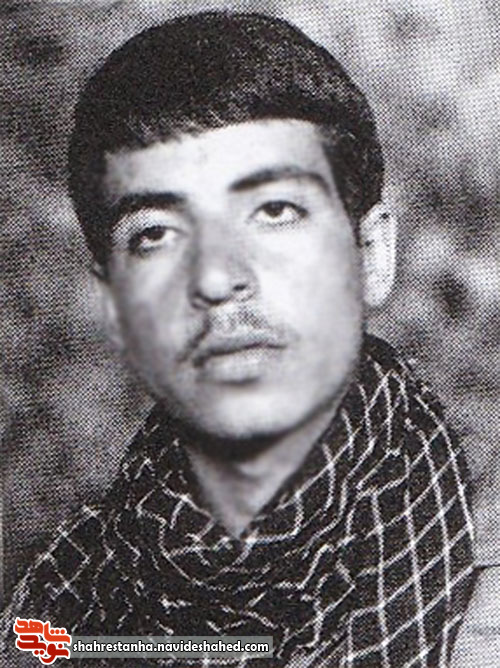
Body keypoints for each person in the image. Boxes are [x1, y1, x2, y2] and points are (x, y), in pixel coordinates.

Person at [2, 11, 475, 667]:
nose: (217, 277)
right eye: (155, 234)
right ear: (115, 303)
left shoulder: (475, 562)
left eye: (275, 210)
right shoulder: (58, 607)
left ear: (370, 255)